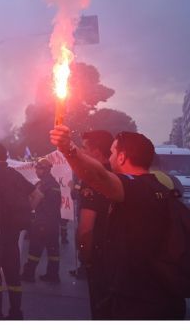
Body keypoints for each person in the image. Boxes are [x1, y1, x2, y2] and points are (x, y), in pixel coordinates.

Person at [51, 126, 187, 319]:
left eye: (113, 152)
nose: (110, 157)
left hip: (137, 298)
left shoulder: (134, 187)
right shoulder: (159, 188)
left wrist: (68, 149)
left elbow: (97, 176)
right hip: (165, 294)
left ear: (122, 157)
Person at [0, 142, 34, 320]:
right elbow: (37, 195)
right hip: (12, 233)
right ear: (5, 156)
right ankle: (16, 312)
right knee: (13, 275)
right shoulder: (14, 174)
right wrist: (27, 211)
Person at [76, 129, 113, 318]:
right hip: (120, 256)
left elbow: (86, 229)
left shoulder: (93, 178)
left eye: (84, 148)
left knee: (101, 311)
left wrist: (85, 257)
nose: (81, 152)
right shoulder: (119, 175)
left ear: (96, 152)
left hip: (99, 256)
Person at [21, 158, 62, 283]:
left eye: (39, 168)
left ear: (45, 169)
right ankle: (53, 275)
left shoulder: (44, 184)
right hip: (54, 222)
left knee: (35, 249)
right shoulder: (54, 183)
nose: (36, 171)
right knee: (53, 250)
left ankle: (28, 274)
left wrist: (27, 210)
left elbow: (35, 200)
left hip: (42, 221)